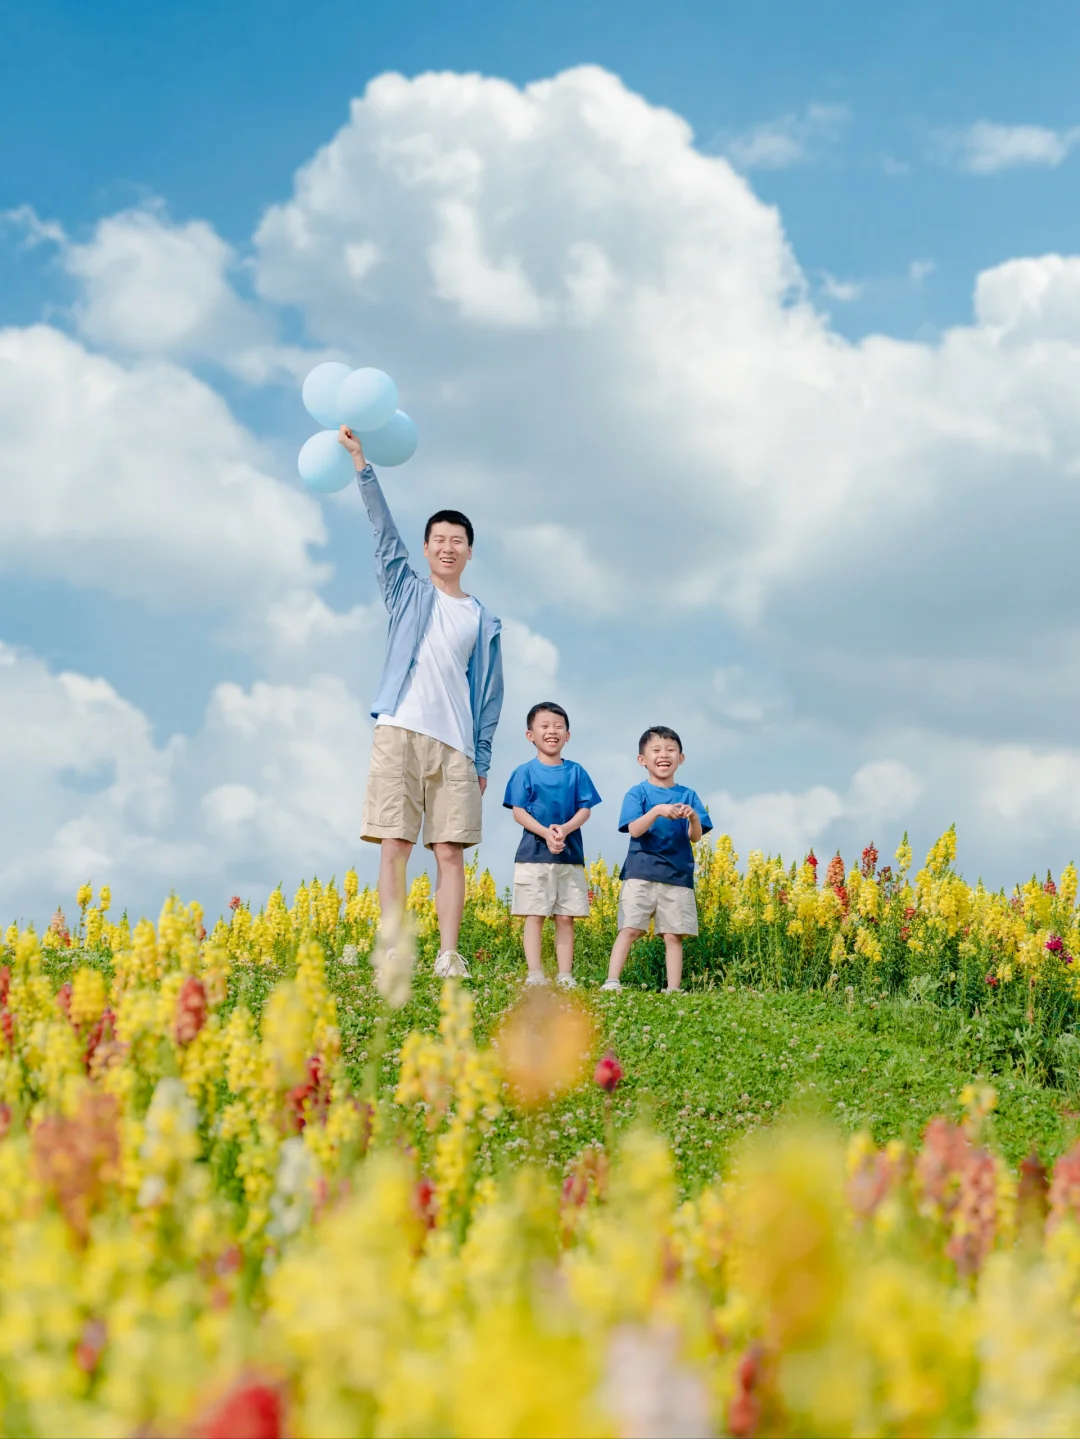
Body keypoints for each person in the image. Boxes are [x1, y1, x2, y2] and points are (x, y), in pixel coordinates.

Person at [339, 425, 503, 979]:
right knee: (394, 844)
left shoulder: (482, 619)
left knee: (450, 852)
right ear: (428, 546)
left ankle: (448, 954)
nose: (448, 546)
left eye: (458, 540)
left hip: (456, 744)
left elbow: (490, 694)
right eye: (439, 539)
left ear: (469, 551)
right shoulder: (408, 590)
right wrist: (363, 466)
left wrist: (482, 758)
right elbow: (384, 535)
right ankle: (392, 947)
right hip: (400, 730)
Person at [602, 725, 712, 994]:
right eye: (656, 750)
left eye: (671, 750)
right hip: (641, 872)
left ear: (681, 758)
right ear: (643, 759)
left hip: (677, 875)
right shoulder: (637, 793)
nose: (664, 755)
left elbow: (695, 837)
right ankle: (612, 981)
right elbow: (634, 829)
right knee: (630, 927)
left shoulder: (689, 795)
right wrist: (657, 811)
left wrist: (694, 817)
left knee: (674, 935)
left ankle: (673, 989)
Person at [503, 702, 601, 989]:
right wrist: (546, 833)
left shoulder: (576, 772)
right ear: (529, 735)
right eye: (544, 726)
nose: (552, 731)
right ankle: (535, 973)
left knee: (565, 916)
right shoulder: (524, 772)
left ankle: (564, 974)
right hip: (533, 856)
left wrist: (565, 829)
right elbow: (518, 811)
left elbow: (585, 809)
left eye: (558, 727)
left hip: (569, 857)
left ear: (568, 735)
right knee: (534, 915)